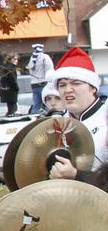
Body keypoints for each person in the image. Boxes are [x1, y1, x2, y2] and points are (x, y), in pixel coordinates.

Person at [45, 47, 108, 179]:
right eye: (62, 85)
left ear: (93, 88)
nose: (68, 90)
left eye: (76, 83)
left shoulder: (105, 118)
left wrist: (76, 175)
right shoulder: (55, 123)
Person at [28, 43, 55, 113]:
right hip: (43, 83)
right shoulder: (45, 57)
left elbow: (30, 71)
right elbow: (49, 71)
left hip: (34, 84)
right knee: (47, 104)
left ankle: (33, 119)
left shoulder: (32, 58)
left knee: (36, 105)